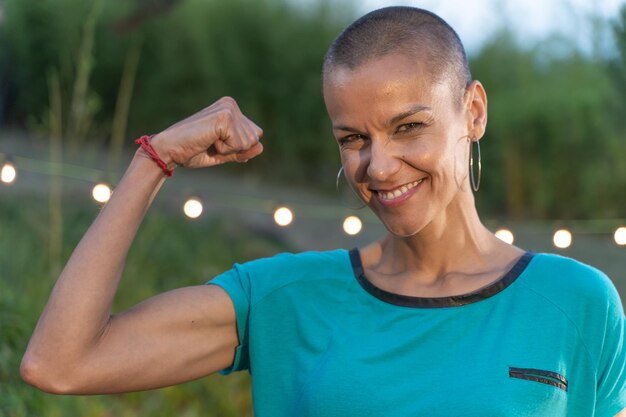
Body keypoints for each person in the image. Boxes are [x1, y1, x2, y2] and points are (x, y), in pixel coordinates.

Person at [20, 6, 625, 417]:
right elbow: (61, 363)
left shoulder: (577, 302)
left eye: (408, 127)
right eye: (353, 138)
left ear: (472, 111)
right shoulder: (284, 298)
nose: (380, 167)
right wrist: (153, 161)